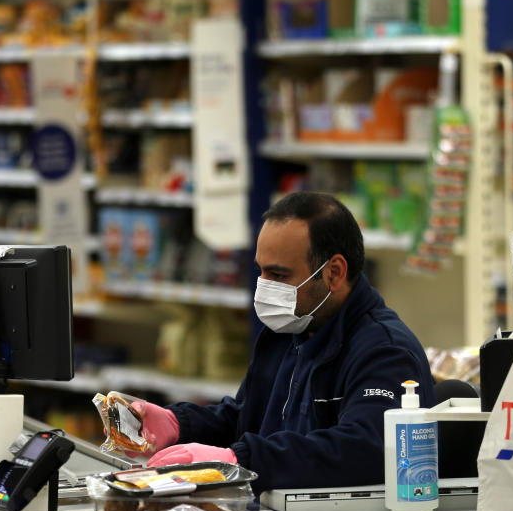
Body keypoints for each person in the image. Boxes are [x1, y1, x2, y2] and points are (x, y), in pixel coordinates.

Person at [135, 192, 435, 493]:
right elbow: (248, 417)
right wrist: (178, 424)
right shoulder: (289, 332)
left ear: (334, 273)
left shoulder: (385, 351)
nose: (263, 287)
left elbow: (363, 450)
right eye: (261, 271)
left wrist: (241, 459)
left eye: (279, 275)